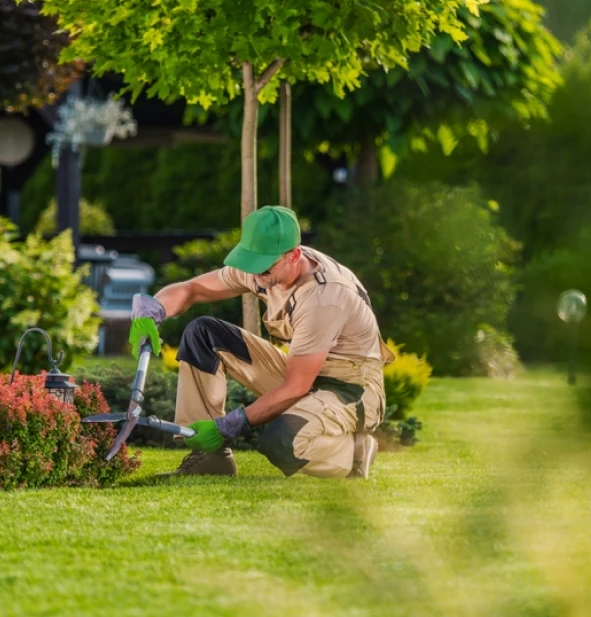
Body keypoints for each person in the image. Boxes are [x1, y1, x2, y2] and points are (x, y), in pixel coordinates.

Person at [128, 205, 395, 479]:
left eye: (264, 268)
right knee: (203, 333)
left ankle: (354, 452)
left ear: (294, 256)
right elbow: (192, 289)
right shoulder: (263, 267)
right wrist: (153, 310)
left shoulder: (323, 297)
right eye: (251, 264)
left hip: (351, 388)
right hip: (304, 371)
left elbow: (296, 387)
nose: (256, 276)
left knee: (281, 442)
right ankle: (210, 459)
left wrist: (226, 426)